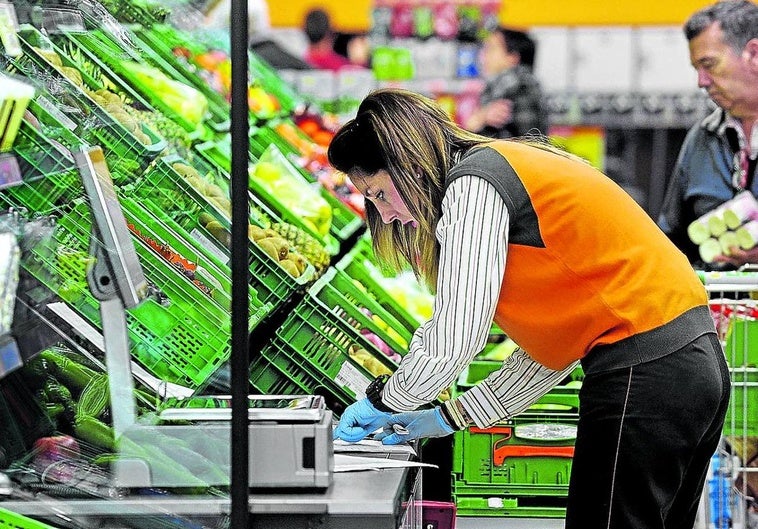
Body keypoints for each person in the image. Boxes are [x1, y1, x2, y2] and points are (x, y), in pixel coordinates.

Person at [328, 88, 730, 529]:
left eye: (380, 193)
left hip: (646, 372)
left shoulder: (474, 185)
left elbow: (457, 335)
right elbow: (551, 352)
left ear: (409, 163)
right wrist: (446, 417)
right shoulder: (505, 165)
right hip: (687, 367)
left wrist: (382, 401)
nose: (384, 216)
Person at [657, 0, 758, 268]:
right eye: (696, 69)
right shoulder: (701, 139)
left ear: (755, 54)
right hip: (719, 305)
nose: (701, 82)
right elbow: (672, 243)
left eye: (709, 64)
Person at [463, 27, 548, 139]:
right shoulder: (519, 85)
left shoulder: (517, 87)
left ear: (513, 57)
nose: (484, 56)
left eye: (491, 49)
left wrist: (477, 122)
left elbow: (529, 141)